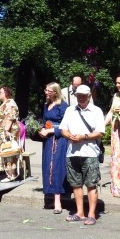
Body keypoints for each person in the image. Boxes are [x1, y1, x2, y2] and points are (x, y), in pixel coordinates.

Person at [59, 85, 106, 226]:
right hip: (72, 152)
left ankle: (91, 214)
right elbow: (63, 129)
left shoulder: (96, 111)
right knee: (76, 184)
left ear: (89, 96)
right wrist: (69, 136)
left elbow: (100, 132)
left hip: (90, 152)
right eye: (78, 94)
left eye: (83, 95)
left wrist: (84, 137)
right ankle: (80, 212)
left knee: (91, 184)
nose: (80, 97)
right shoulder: (69, 110)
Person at [39, 83, 69, 213]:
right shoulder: (47, 105)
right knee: (48, 167)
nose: (46, 92)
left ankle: (58, 202)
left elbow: (66, 125)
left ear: (56, 92)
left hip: (59, 139)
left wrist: (51, 130)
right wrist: (40, 129)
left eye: (49, 90)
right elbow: (45, 121)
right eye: (45, 89)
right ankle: (51, 196)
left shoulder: (63, 106)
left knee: (56, 167)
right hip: (48, 141)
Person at [0, 86, 20, 181]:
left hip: (7, 131)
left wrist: (6, 130)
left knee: (9, 152)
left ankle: (11, 174)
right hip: (1, 131)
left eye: (0, 92)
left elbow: (10, 116)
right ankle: (7, 173)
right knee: (4, 152)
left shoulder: (10, 103)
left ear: (6, 93)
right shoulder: (4, 103)